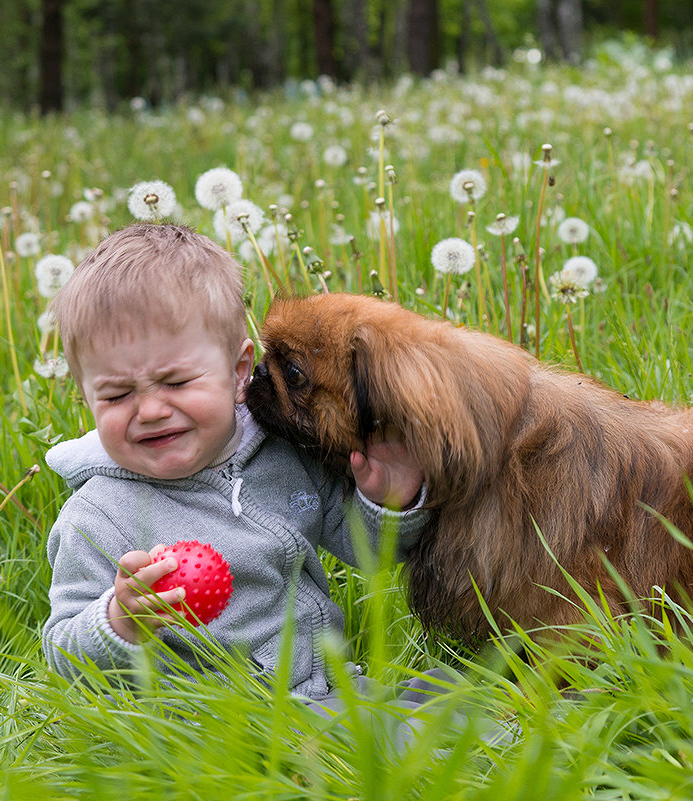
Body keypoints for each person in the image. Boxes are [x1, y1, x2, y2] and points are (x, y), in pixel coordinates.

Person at [41, 222, 428, 702]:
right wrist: (118, 620)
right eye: (117, 394)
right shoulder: (98, 515)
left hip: (323, 688)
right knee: (398, 740)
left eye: (177, 382)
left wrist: (388, 500)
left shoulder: (283, 456)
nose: (151, 410)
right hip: (211, 724)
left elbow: (371, 552)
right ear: (86, 397)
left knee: (445, 701)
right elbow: (61, 654)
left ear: (239, 370)